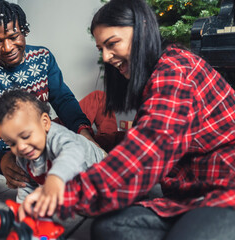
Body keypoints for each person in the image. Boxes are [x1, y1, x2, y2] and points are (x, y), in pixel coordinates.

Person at [20, 0, 235, 239]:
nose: (107, 56)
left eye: (112, 44)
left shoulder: (175, 71)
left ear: (142, 27)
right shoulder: (155, 76)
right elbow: (147, 139)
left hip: (226, 190)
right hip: (189, 196)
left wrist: (61, 194)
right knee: (109, 227)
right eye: (101, 48)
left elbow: (147, 152)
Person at [0, 0, 95, 189]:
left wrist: (85, 135)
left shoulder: (43, 58)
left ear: (24, 30)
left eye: (13, 36)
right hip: (18, 152)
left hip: (47, 136)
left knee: (98, 116)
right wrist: (2, 162)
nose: (8, 47)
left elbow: (63, 99)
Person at [0, 89, 106, 209]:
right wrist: (24, 208)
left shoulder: (57, 136)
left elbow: (73, 154)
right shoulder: (22, 157)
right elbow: (27, 186)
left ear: (45, 123)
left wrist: (55, 178)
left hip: (100, 165)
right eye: (12, 143)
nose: (20, 147)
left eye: (26, 136)